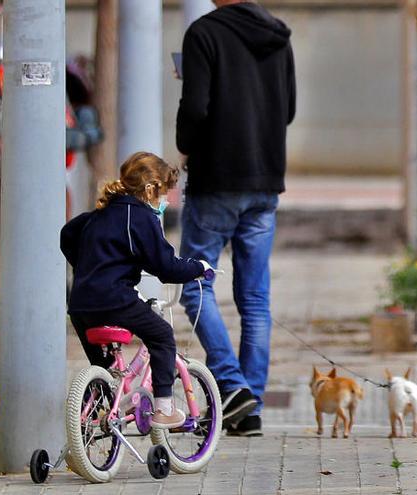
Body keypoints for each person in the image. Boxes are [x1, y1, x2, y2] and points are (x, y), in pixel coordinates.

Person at [175, 0, 296, 437]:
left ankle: (231, 385)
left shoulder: (203, 35)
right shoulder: (279, 35)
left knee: (194, 284)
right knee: (255, 299)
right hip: (266, 180)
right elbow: (288, 111)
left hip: (217, 180)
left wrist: (185, 147)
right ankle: (250, 409)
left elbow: (195, 110)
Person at [61, 151, 211, 429]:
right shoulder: (141, 217)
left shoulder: (98, 214)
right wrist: (199, 268)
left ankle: (95, 419)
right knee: (162, 336)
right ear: (151, 189)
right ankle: (165, 409)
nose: (165, 201)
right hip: (115, 299)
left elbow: (67, 234)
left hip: (81, 304)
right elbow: (166, 267)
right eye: (164, 193)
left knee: (105, 370)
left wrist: (86, 266)